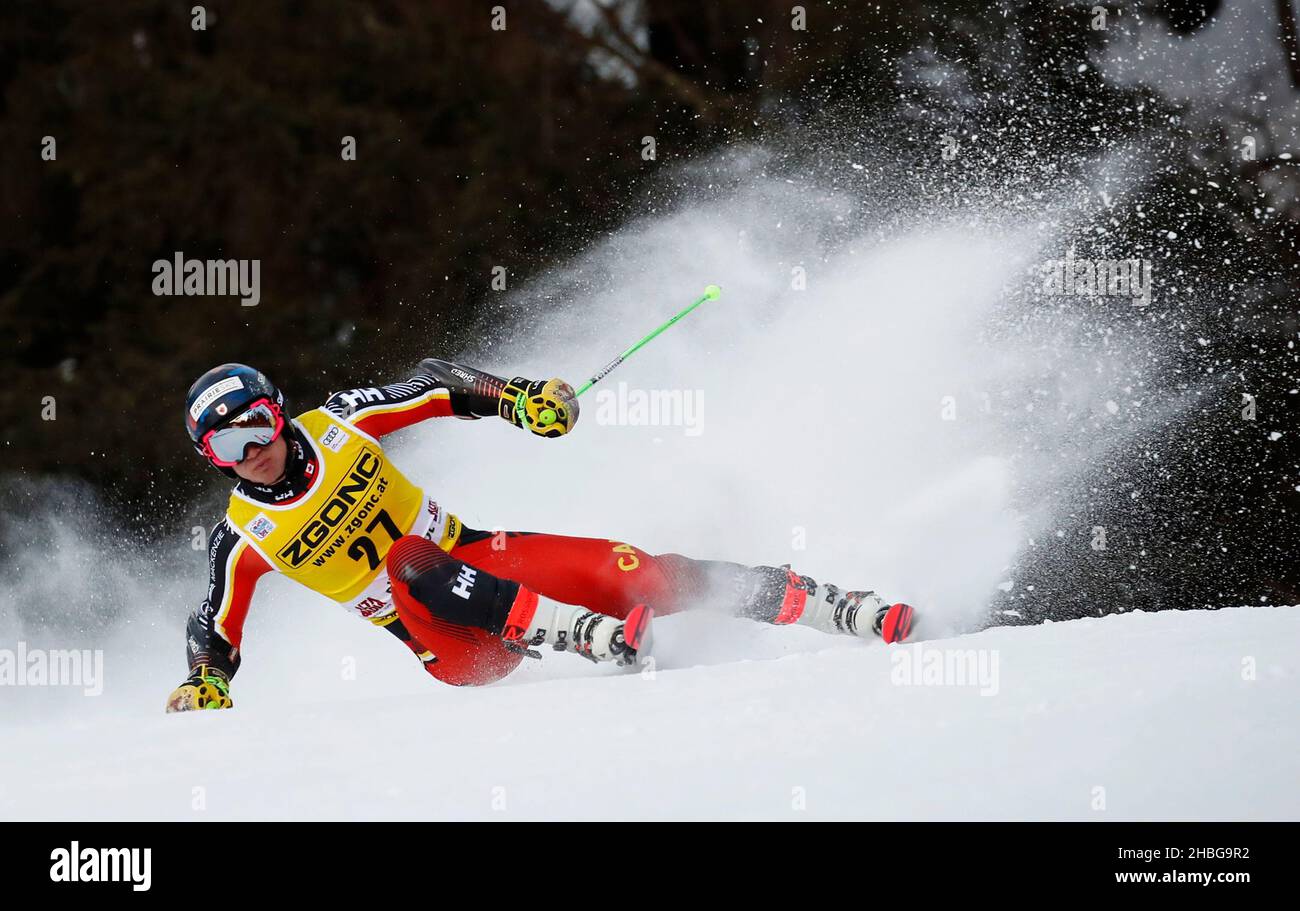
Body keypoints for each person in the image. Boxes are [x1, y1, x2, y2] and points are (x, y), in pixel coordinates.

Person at [166, 360, 915, 711]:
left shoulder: (340, 423)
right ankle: (585, 634)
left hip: (485, 557)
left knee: (643, 573)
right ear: (212, 461)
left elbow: (437, 384)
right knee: (408, 562)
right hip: (450, 642)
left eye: (256, 428)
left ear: (279, 411)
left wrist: (520, 400)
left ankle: (829, 605)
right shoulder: (244, 536)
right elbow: (215, 622)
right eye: (226, 450)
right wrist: (206, 681)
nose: (252, 453)